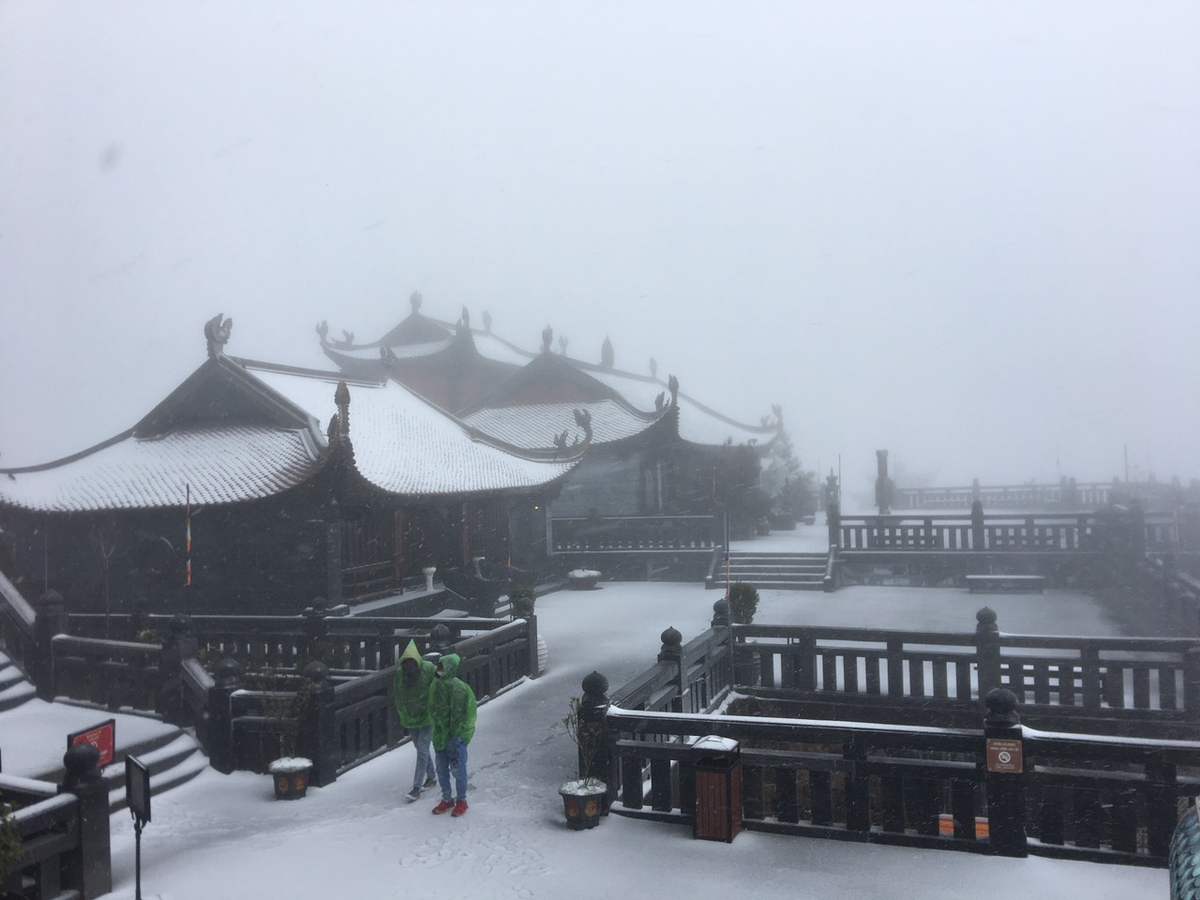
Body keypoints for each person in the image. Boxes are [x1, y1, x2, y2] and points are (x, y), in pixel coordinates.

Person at [429, 652, 476, 817]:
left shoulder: (459, 688)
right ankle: (447, 799)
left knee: (458, 770)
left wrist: (456, 734)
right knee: (442, 770)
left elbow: (458, 714)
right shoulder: (436, 684)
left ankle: (461, 800)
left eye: (441, 667)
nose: (438, 669)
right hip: (440, 735)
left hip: (454, 737)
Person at [393, 640, 438, 801]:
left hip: (427, 716)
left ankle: (416, 787)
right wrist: (404, 713)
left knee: (422, 749)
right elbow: (398, 694)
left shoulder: (429, 669)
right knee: (421, 749)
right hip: (411, 716)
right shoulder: (401, 674)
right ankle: (431, 777)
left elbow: (439, 685)